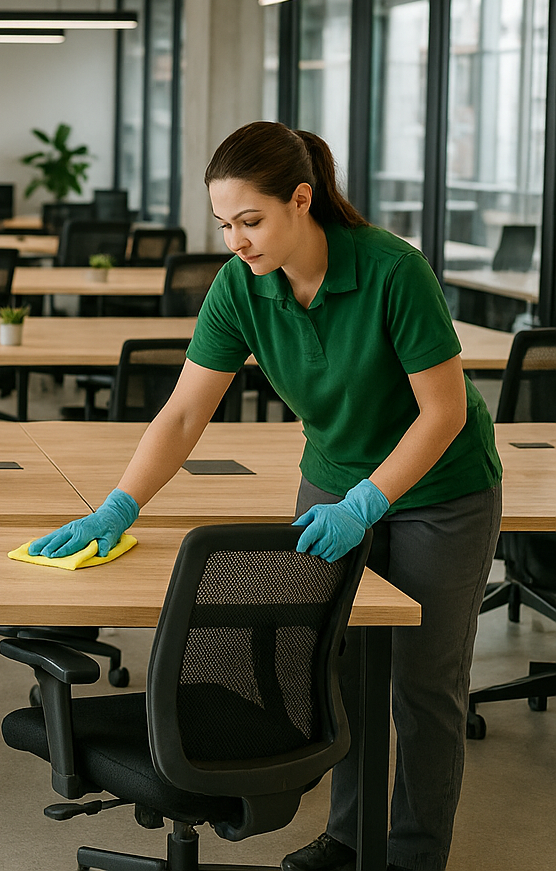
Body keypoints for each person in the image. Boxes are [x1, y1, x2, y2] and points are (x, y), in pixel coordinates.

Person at [29, 122, 502, 871]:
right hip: (332, 479)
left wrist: (368, 505)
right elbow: (185, 413)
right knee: (329, 669)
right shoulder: (240, 289)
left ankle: (412, 855)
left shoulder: (390, 270)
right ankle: (348, 840)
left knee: (423, 685)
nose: (237, 241)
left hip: (442, 486)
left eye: (250, 221)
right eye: (224, 225)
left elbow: (443, 413)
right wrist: (120, 504)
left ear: (301, 200)